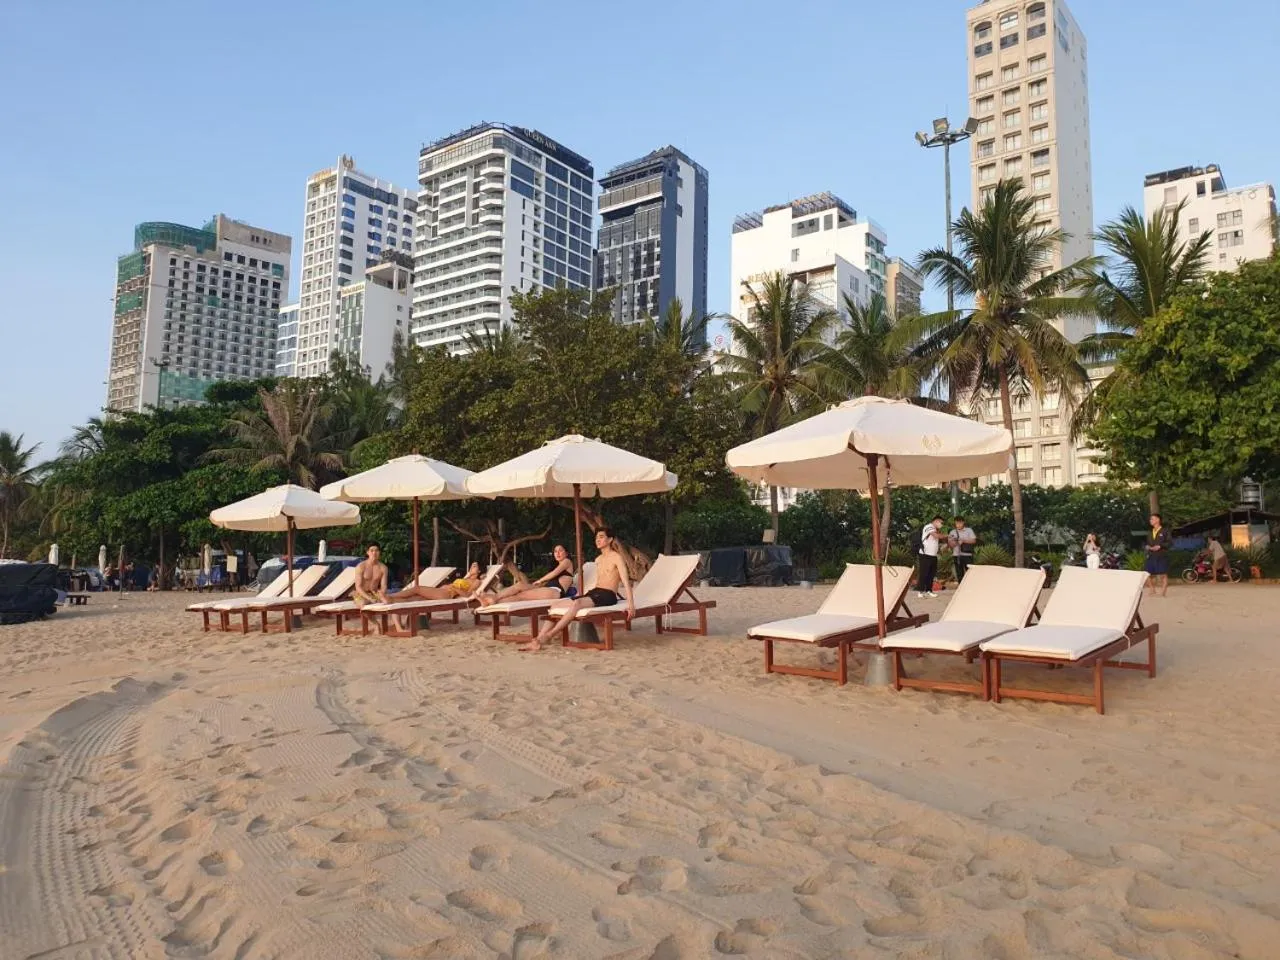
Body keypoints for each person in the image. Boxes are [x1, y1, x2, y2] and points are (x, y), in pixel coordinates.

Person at [521, 527, 634, 652]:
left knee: (577, 603)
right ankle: (538, 639)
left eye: (601, 537)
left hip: (608, 594)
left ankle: (548, 636)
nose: (597, 540)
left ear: (610, 539)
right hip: (595, 592)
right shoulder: (598, 560)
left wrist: (631, 605)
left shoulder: (616, 557)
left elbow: (625, 581)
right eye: (596, 538)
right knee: (555, 605)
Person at [478, 544, 575, 607]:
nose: (557, 553)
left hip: (555, 592)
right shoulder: (557, 565)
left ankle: (491, 601)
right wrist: (538, 584)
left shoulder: (567, 562)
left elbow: (553, 574)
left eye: (560, 550)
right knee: (520, 585)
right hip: (547, 589)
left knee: (521, 596)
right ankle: (493, 598)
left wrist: (539, 580)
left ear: (566, 553)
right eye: (555, 551)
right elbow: (551, 578)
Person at [384, 562, 484, 603]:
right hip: (442, 591)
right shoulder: (466, 578)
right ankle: (391, 600)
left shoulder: (476, 581)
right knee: (416, 598)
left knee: (417, 588)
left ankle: (391, 595)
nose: (471, 567)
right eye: (471, 565)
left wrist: (454, 588)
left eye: (474, 566)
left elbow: (467, 595)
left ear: (479, 571)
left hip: (447, 594)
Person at [916, 516, 944, 599]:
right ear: (936, 521)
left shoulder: (936, 529)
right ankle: (920, 591)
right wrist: (947, 536)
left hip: (933, 555)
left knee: (931, 574)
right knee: (923, 573)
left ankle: (929, 590)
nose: (941, 524)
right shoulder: (929, 527)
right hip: (925, 554)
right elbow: (935, 536)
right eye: (941, 522)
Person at [1144, 513, 1171, 597]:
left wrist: (1160, 546)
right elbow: (1147, 543)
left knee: (1163, 574)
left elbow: (1170, 543)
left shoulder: (1165, 531)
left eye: (1152, 519)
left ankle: (1163, 593)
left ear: (1158, 520)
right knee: (1147, 574)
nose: (1150, 520)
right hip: (1151, 555)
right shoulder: (1149, 532)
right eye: (1150, 519)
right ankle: (1152, 590)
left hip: (1161, 555)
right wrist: (1147, 547)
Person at [949, 517, 977, 582]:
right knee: (959, 573)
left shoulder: (969, 530)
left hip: (968, 555)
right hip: (957, 555)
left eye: (960, 523)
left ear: (963, 522)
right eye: (956, 523)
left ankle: (971, 586)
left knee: (970, 572)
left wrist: (963, 541)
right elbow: (950, 545)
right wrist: (956, 543)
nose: (958, 524)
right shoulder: (952, 532)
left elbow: (974, 541)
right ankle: (961, 588)